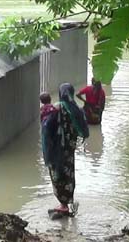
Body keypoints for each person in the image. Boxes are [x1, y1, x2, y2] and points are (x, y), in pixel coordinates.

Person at [41, 83, 89, 216]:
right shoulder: (76, 109)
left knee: (57, 174)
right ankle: (67, 202)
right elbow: (83, 129)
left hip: (56, 149)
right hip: (69, 150)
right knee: (69, 174)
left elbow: (47, 126)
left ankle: (63, 205)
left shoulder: (57, 107)